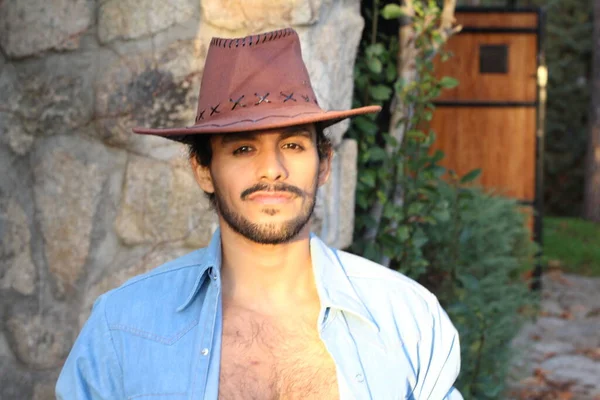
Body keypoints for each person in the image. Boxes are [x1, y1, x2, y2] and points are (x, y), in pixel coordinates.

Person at [56, 27, 462, 399]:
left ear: (323, 165)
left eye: (293, 146)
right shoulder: (123, 327)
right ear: (203, 170)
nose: (272, 169)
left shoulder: (405, 318)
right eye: (244, 148)